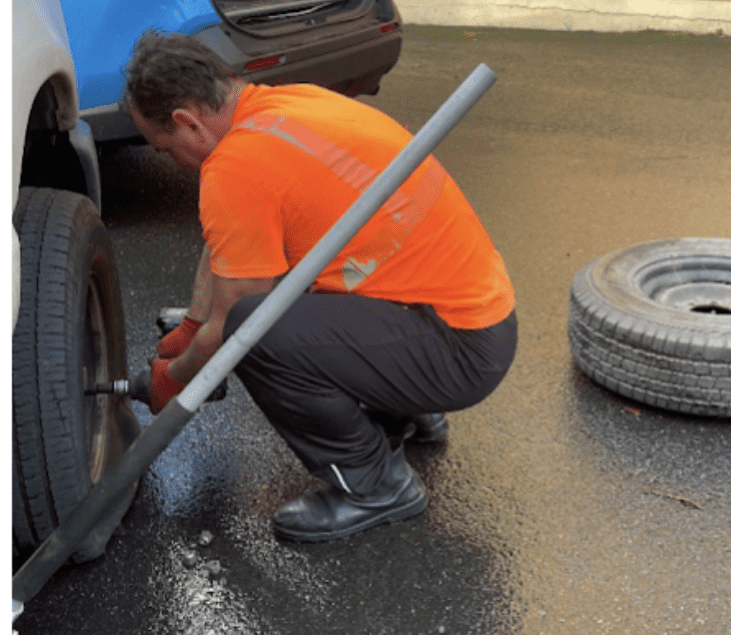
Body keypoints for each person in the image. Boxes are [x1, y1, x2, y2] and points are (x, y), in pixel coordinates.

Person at [121, 31, 517, 542]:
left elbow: (230, 329)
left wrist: (174, 377)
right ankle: (408, 408)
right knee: (287, 303)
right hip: (471, 315)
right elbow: (227, 247)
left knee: (256, 331)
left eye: (163, 148)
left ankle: (375, 483)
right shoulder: (286, 103)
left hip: (457, 350)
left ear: (187, 122)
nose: (169, 160)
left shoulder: (237, 167)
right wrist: (193, 325)